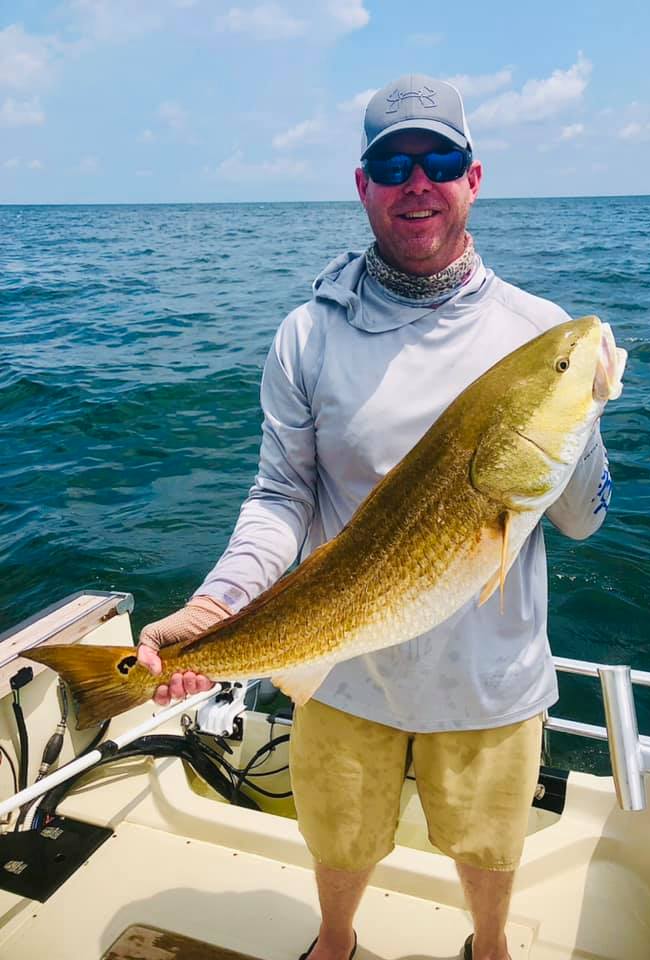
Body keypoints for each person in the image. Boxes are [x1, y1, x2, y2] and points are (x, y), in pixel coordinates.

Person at [138, 74, 615, 960]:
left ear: (475, 177)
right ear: (362, 185)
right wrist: (214, 611)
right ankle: (334, 943)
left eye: (440, 158)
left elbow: (583, 520)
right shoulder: (308, 336)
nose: (417, 180)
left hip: (487, 676)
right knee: (340, 837)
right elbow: (281, 497)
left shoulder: (537, 329)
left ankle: (493, 946)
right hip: (341, 664)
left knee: (488, 844)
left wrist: (580, 414)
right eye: (392, 163)